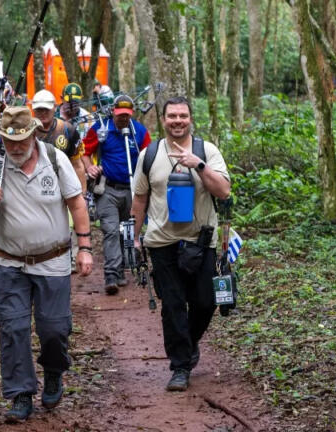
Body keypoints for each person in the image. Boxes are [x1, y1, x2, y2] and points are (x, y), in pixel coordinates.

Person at [0, 107, 93, 423]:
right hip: (10, 262)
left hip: (53, 260)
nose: (15, 147)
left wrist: (85, 248)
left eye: (21, 139)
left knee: (54, 328)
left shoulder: (54, 159)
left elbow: (77, 203)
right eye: (9, 140)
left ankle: (53, 371)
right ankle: (21, 394)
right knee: (14, 328)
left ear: (34, 134)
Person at [130, 96, 231, 391]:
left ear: (190, 119)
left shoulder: (206, 151)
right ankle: (180, 367)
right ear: (163, 120)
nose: (177, 121)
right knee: (173, 305)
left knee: (205, 301)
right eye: (172, 116)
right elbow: (140, 199)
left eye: (183, 116)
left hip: (201, 241)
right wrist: (134, 237)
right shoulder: (149, 154)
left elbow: (224, 191)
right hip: (162, 242)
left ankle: (187, 343)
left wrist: (198, 165)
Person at [81, 94, 151, 294]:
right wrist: (90, 167)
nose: (123, 118)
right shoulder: (101, 129)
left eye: (126, 115)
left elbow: (149, 156)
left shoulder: (139, 132)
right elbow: (84, 151)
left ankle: (121, 270)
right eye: (120, 115)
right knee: (111, 230)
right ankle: (111, 274)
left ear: (132, 113)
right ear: (113, 111)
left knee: (125, 231)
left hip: (133, 190)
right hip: (108, 189)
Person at [32, 90, 86, 192]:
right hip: (34, 188)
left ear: (55, 107)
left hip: (63, 187)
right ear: (33, 109)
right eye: (39, 109)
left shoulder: (68, 130)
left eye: (46, 109)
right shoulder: (27, 131)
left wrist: (82, 194)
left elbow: (77, 165)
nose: (43, 113)